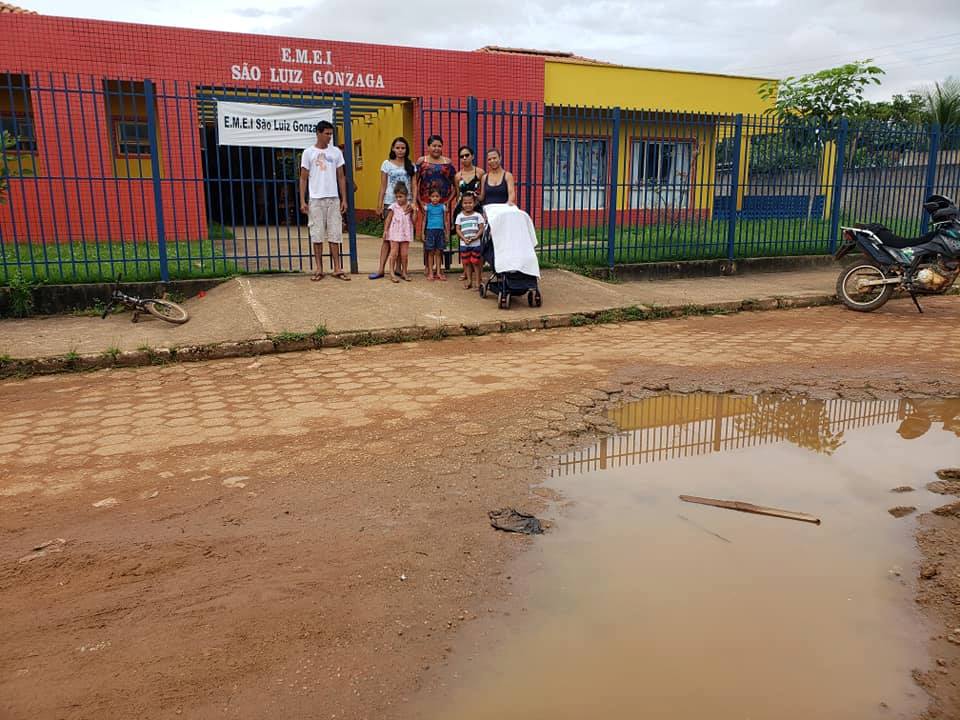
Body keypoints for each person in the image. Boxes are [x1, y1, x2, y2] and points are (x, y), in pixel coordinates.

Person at [300, 120, 350, 281]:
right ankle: (319, 269)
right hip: (315, 199)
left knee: (335, 234)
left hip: (333, 198)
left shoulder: (336, 152)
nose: (329, 137)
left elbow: (341, 177)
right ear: (318, 133)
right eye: (327, 134)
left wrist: (344, 199)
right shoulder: (308, 153)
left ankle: (337, 268)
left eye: (331, 134)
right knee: (317, 235)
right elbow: (303, 178)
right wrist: (302, 201)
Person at [370, 137, 416, 280]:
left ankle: (398, 269)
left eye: (403, 148)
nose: (400, 150)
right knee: (388, 238)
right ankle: (381, 269)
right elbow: (383, 185)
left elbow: (414, 185)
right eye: (397, 148)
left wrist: (413, 202)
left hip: (406, 205)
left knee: (402, 238)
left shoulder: (411, 165)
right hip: (390, 203)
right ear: (393, 149)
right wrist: (379, 204)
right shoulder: (386, 164)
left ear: (406, 149)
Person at [414, 135, 457, 266]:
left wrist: (448, 201)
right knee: (427, 233)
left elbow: (455, 185)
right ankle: (428, 267)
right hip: (426, 203)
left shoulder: (447, 162)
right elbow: (414, 183)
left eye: (439, 146)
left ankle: (439, 267)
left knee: (441, 232)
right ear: (428, 147)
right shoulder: (422, 161)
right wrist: (418, 201)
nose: (436, 148)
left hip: (442, 205)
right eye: (434, 146)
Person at [453, 145, 483, 280]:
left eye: (467, 155)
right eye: (462, 156)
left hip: (477, 209)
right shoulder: (457, 176)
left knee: (478, 241)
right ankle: (466, 272)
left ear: (473, 156)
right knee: (464, 241)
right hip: (462, 210)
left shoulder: (480, 172)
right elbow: (458, 194)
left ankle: (478, 273)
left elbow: (482, 193)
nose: (464, 158)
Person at [383, 181, 414, 283]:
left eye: (401, 196)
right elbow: (388, 219)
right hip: (395, 233)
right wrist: (385, 230)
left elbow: (414, 220)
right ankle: (392, 273)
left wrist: (415, 210)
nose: (398, 199)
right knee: (394, 253)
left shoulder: (410, 207)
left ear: (406, 196)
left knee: (404, 254)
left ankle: (404, 272)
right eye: (396, 197)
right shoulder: (393, 207)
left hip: (405, 233)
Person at [455, 191, 485, 290]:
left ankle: (478, 282)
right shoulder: (460, 216)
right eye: (465, 203)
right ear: (462, 204)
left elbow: (481, 228)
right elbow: (458, 229)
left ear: (474, 203)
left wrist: (476, 237)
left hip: (476, 244)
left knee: (476, 263)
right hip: (464, 244)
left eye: (470, 203)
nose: (468, 205)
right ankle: (469, 281)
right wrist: (464, 239)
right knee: (467, 263)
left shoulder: (478, 215)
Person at [424, 189, 448, 281]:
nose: (435, 198)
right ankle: (431, 272)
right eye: (433, 196)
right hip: (430, 231)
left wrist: (446, 233)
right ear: (429, 197)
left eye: (437, 196)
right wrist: (422, 233)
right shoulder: (427, 207)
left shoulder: (443, 207)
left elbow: (445, 221)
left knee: (438, 253)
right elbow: (424, 220)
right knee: (430, 252)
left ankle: (438, 272)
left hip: (440, 231)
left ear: (440, 197)